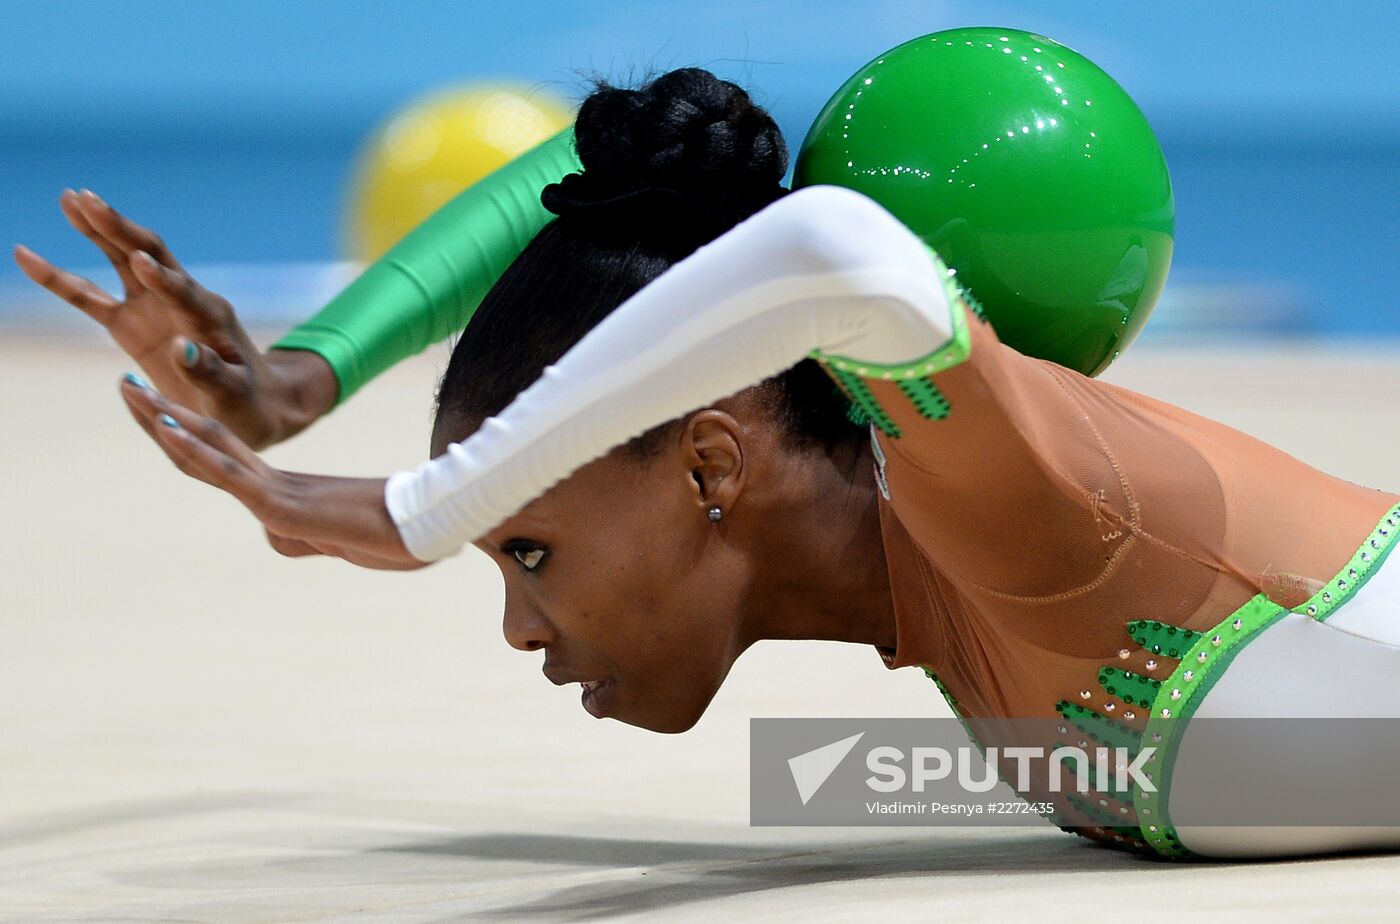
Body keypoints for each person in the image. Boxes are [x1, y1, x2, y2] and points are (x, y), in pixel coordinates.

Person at [16, 68, 1400, 860]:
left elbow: (829, 244)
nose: (515, 625)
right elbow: (614, 179)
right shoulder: (954, 585)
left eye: (529, 546)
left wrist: (430, 504)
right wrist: (308, 373)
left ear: (709, 464)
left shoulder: (1006, 516)